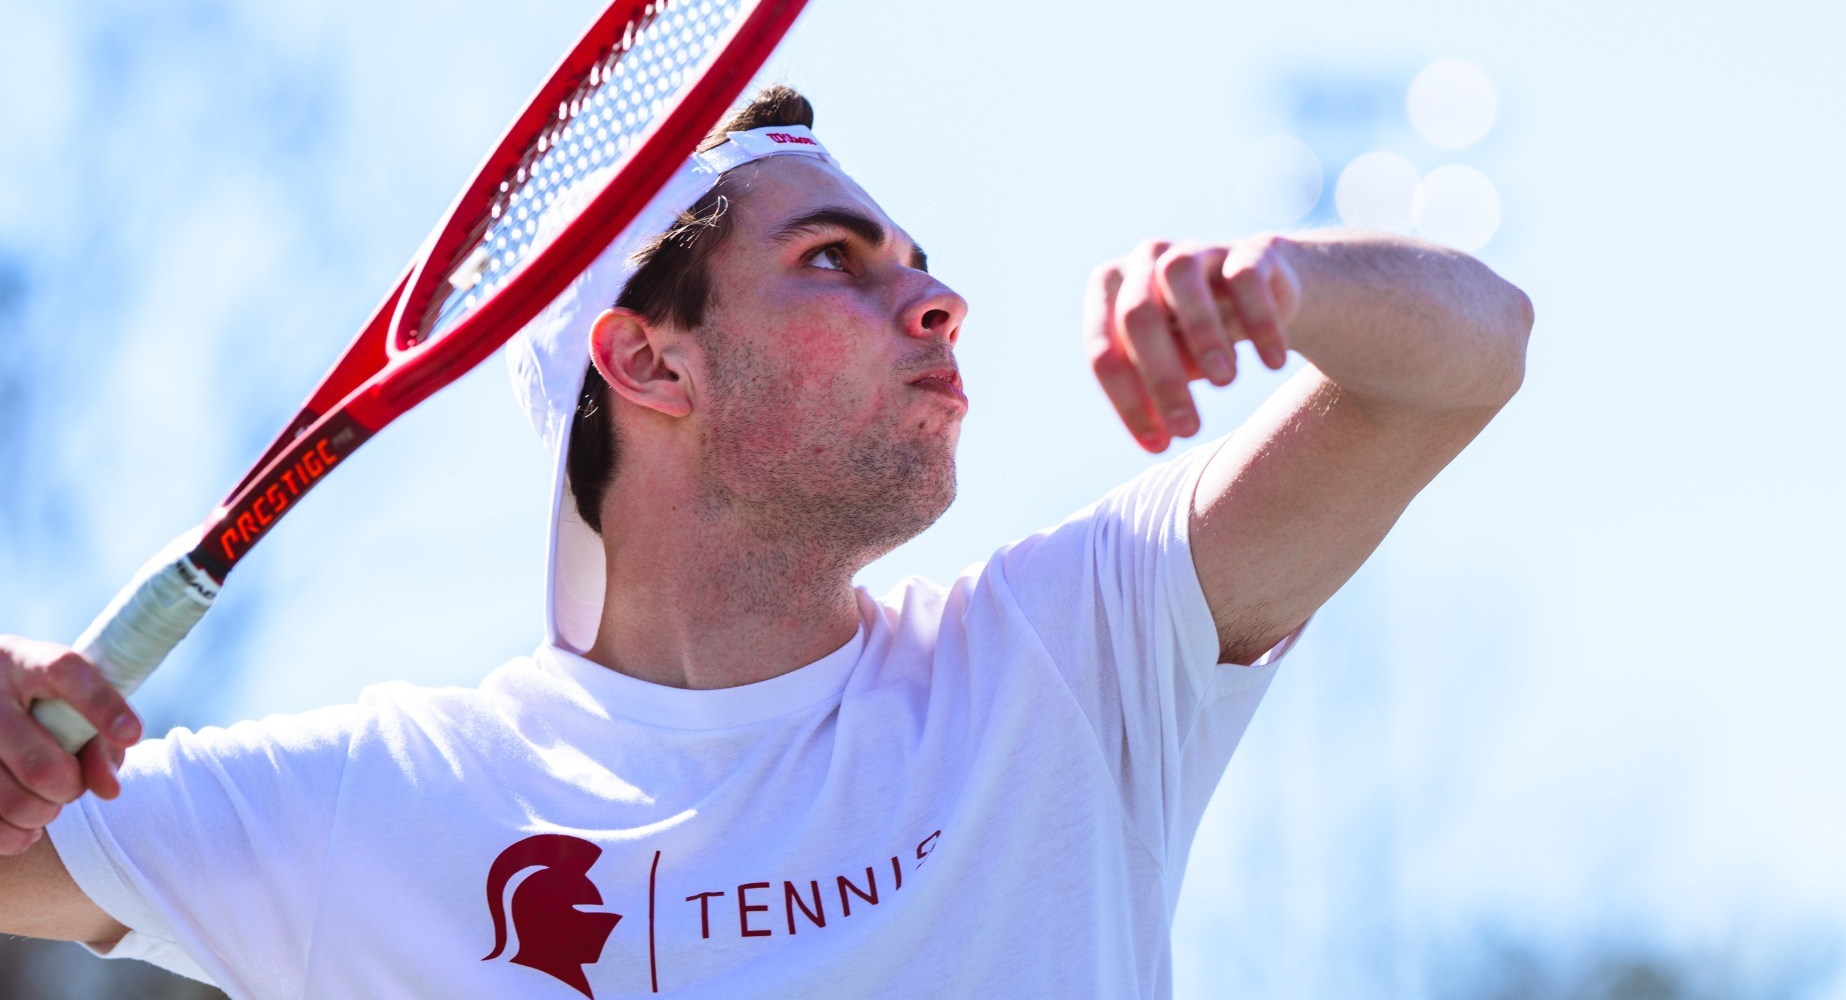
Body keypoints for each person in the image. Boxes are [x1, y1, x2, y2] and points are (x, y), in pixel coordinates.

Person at [0, 86, 1532, 998]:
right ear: (648, 360)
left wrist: (1282, 280)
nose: (936, 301)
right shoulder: (375, 807)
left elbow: (1472, 352)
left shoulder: (1068, 659)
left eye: (916, 262)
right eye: (834, 261)